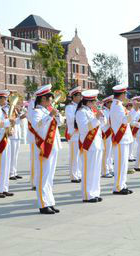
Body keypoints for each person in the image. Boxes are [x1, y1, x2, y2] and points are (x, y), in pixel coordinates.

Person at [29, 84, 63, 214]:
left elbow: (59, 123)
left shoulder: (46, 110)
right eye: (49, 98)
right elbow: (37, 126)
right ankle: (43, 204)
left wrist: (57, 116)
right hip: (44, 147)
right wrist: (49, 115)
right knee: (43, 176)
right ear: (43, 98)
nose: (51, 101)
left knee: (49, 176)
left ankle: (50, 201)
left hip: (53, 145)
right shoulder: (36, 112)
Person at [75, 89, 105, 202]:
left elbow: (102, 125)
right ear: (88, 102)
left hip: (97, 143)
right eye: (94, 102)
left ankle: (95, 193)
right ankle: (87, 195)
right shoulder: (81, 112)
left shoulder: (91, 111)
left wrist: (101, 117)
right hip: (88, 144)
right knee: (88, 171)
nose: (96, 104)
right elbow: (84, 128)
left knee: (96, 170)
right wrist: (96, 118)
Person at [0, 90, 17, 198]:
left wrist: (11, 127)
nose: (6, 100)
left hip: (6, 138)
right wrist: (8, 122)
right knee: (1, 166)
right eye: (4, 98)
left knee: (6, 165)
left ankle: (4, 188)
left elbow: (6, 123)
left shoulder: (2, 110)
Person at [109, 84, 134, 195]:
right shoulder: (117, 106)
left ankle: (122, 185)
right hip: (120, 138)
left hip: (124, 138)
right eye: (125, 94)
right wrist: (134, 110)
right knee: (120, 164)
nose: (126, 96)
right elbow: (125, 120)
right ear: (122, 94)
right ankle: (118, 187)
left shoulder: (119, 105)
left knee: (124, 164)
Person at [5, 96, 26, 181]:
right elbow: (11, 121)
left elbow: (18, 122)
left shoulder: (16, 110)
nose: (17, 104)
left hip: (17, 134)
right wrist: (20, 117)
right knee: (11, 154)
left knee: (15, 155)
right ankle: (10, 173)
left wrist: (20, 114)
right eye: (16, 102)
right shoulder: (8, 109)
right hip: (12, 134)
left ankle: (14, 172)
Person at [65, 86, 83, 183]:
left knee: (79, 156)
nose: (81, 97)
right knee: (74, 156)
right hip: (73, 134)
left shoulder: (80, 107)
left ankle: (78, 173)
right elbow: (71, 119)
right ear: (74, 96)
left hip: (80, 134)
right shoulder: (69, 107)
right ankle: (73, 175)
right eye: (79, 95)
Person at [130, 96, 140, 172]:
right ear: (135, 102)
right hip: (138, 131)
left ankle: (139, 165)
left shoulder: (139, 110)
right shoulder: (133, 111)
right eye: (139, 100)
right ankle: (138, 166)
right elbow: (131, 122)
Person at [100, 96, 114, 178]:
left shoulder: (110, 111)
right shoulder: (104, 111)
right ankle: (104, 171)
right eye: (111, 102)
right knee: (106, 153)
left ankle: (110, 168)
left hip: (111, 133)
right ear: (107, 103)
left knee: (110, 153)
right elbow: (105, 122)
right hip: (105, 134)